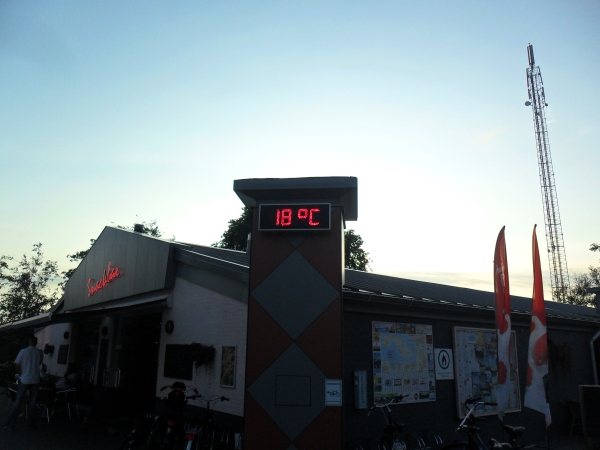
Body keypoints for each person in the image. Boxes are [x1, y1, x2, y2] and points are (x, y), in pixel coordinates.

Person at [5, 336, 44, 430]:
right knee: (32, 403)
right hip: (35, 379)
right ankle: (31, 423)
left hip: (25, 379)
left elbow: (17, 365)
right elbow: (39, 363)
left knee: (18, 402)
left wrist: (21, 374)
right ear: (36, 342)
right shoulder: (40, 352)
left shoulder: (23, 351)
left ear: (29, 342)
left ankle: (11, 424)